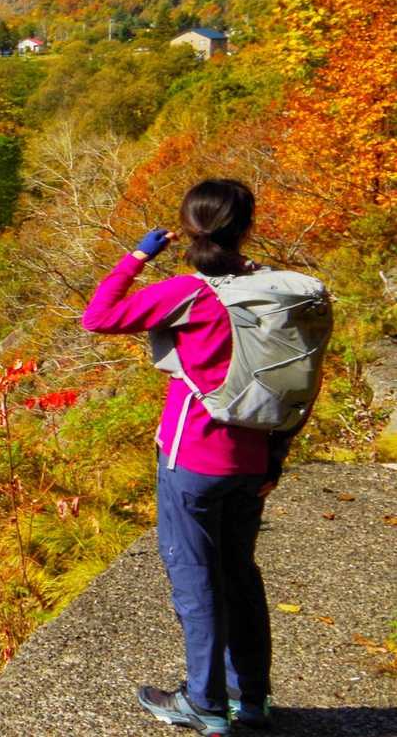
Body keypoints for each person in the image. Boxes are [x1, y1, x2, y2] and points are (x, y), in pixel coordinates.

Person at [82, 179, 295, 735]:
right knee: (240, 574)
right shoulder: (274, 291)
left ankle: (204, 704)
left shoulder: (189, 293)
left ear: (188, 228)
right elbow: (298, 381)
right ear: (246, 227)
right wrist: (276, 457)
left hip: (193, 459)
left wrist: (137, 256)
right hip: (255, 458)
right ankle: (251, 699)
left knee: (197, 582)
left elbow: (98, 317)